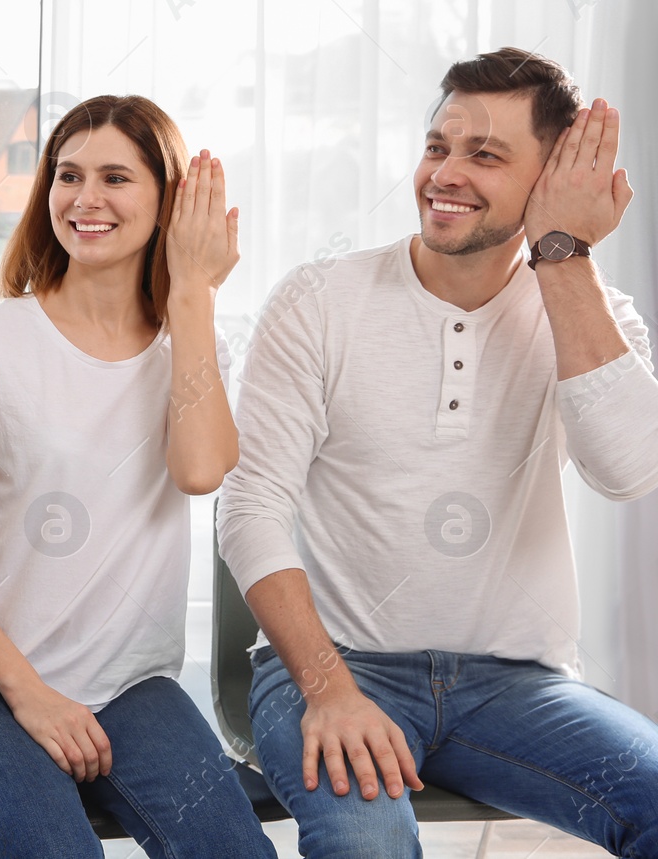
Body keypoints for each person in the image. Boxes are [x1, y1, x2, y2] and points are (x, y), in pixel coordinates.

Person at [220, 47, 658, 857]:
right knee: (370, 845)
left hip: (514, 683)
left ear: (550, 174)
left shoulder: (592, 308)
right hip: (334, 663)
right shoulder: (320, 300)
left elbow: (628, 469)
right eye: (437, 146)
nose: (445, 173)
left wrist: (562, 252)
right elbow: (248, 506)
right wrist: (329, 688)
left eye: (485, 155)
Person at [0, 95, 277, 857]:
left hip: (131, 686)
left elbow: (199, 472)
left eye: (115, 178)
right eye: (68, 175)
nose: (84, 199)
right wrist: (29, 695)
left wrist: (193, 294)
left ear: (166, 202)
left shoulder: (191, 347)